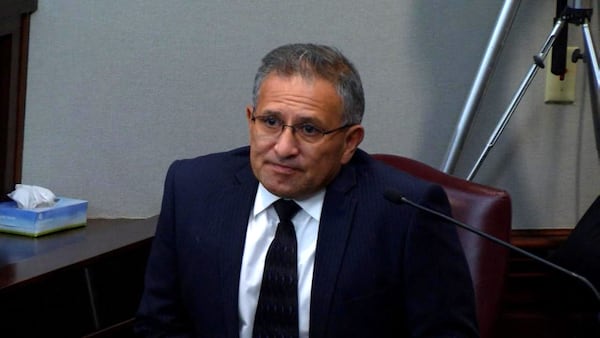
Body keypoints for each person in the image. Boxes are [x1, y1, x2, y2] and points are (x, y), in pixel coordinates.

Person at [135, 43, 479, 337]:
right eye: (270, 122)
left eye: (309, 129)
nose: (284, 147)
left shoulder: (404, 213)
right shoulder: (193, 188)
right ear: (250, 120)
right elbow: (159, 324)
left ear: (349, 142)